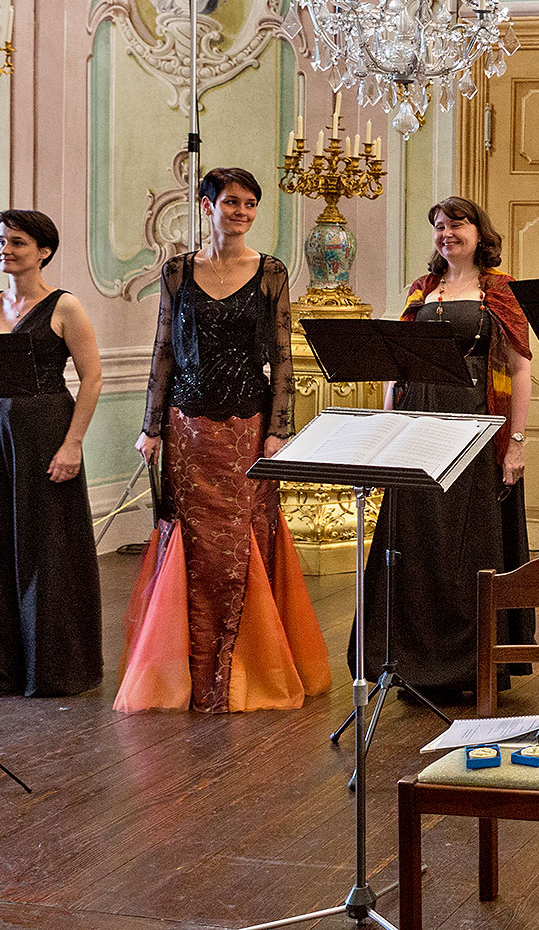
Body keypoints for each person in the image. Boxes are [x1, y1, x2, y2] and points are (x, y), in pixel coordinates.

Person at [119, 167, 331, 713]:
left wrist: (278, 430)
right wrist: (150, 427)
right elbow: (163, 349)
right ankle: (188, 672)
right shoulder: (177, 272)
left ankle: (244, 670)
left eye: (251, 204)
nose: (241, 212)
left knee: (239, 539)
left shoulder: (272, 272)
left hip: (246, 426)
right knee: (193, 540)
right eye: (232, 203)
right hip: (186, 425)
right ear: (207, 205)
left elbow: (282, 356)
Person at [349, 196, 536, 700]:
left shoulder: (500, 291)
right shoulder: (421, 290)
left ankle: (475, 666)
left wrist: (515, 444)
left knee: (471, 545)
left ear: (479, 232)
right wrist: (388, 429)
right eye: (438, 225)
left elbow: (520, 369)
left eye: (457, 224)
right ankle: (416, 662)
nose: (446, 232)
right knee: (420, 544)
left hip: (477, 425)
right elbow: (397, 365)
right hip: (419, 427)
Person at [0, 210, 104, 698]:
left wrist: (72, 444)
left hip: (46, 434)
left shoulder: (66, 307)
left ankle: (55, 670)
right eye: (1, 241)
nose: (5, 249)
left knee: (47, 550)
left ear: (43, 251)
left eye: (17, 242)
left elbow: (92, 378)